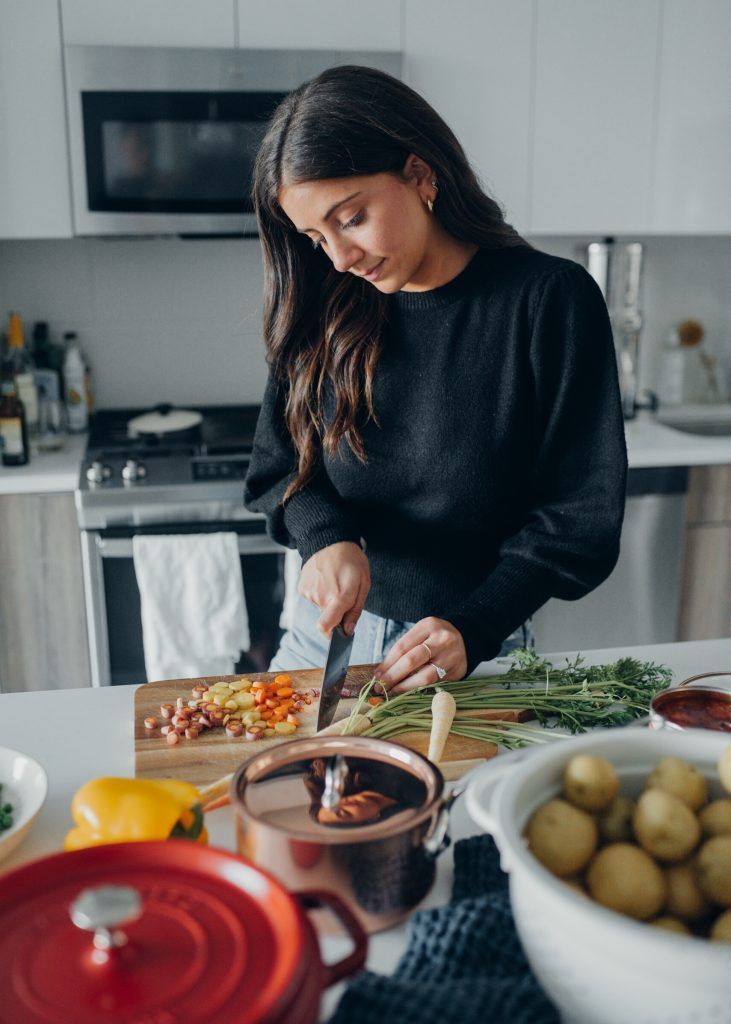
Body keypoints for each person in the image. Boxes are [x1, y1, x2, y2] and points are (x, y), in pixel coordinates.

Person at [244, 65, 627, 695]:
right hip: (321, 638)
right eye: (316, 237)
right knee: (280, 793)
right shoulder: (326, 301)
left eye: (352, 218)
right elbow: (278, 469)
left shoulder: (547, 300)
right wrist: (325, 538)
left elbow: (577, 517)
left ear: (421, 175)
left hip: (469, 651)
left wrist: (473, 628)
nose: (340, 258)